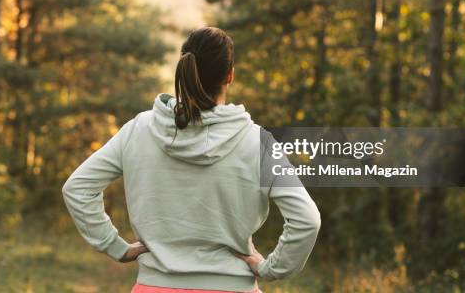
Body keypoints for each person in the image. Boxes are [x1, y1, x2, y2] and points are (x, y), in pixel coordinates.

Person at [62, 27, 321, 293]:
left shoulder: (140, 129)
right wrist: (269, 268)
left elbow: (78, 188)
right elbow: (307, 219)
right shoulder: (258, 142)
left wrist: (117, 248)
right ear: (229, 75)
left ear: (184, 69)